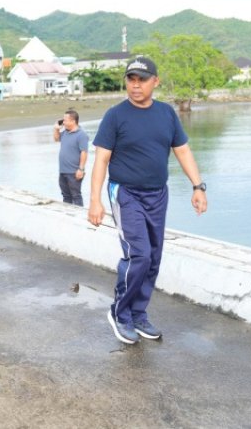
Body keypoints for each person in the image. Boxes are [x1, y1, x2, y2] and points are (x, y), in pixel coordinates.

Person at [87, 56, 208, 345]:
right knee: (138, 254)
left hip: (158, 194)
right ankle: (120, 313)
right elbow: (101, 159)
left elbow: (183, 151)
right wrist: (94, 200)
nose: (136, 85)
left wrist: (198, 187)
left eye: (142, 79)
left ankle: (138, 313)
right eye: (131, 79)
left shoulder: (166, 114)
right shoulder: (115, 116)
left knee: (153, 258)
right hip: (125, 193)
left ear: (156, 81)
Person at [53, 110, 89, 206]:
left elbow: (84, 152)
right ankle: (68, 216)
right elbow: (56, 139)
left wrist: (81, 169)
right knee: (66, 196)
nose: (63, 122)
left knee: (76, 196)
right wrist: (56, 129)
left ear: (73, 121)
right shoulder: (65, 133)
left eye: (65, 120)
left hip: (74, 172)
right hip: (63, 171)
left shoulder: (81, 134)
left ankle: (79, 216)